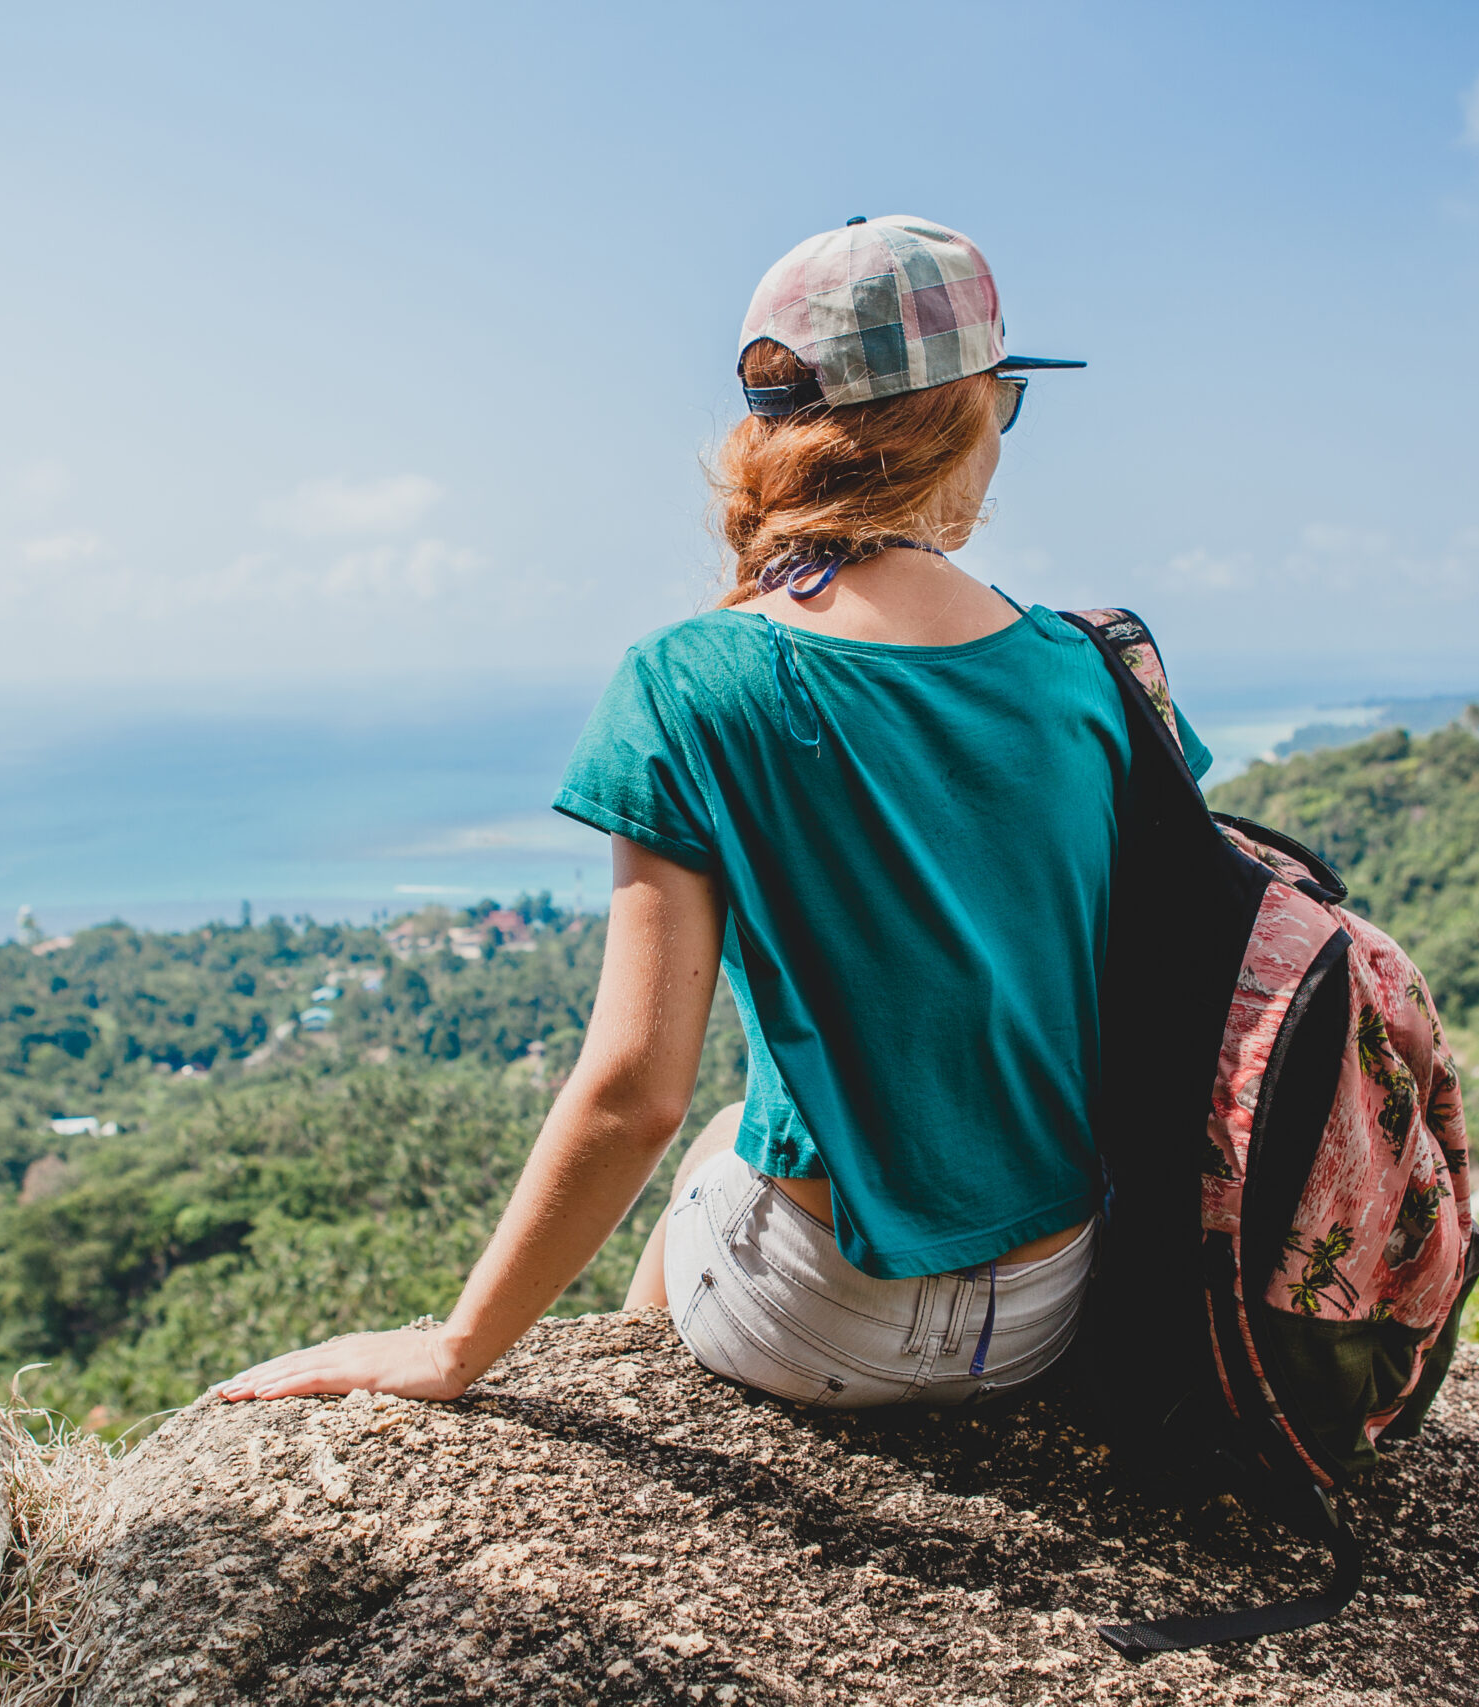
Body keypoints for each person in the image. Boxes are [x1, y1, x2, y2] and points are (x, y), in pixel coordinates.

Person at [216, 215, 1211, 1410]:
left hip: (823, 1321)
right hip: (1061, 1296)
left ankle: (649, 1426)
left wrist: (452, 1351)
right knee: (735, 1136)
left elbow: (638, 1092)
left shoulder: (690, 676)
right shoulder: (1096, 667)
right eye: (1001, 405)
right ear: (964, 414)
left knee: (720, 1140)